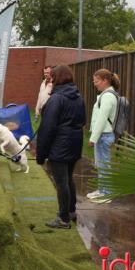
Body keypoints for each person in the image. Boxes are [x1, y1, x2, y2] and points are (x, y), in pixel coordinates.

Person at [36, 65, 86, 229]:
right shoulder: (78, 96)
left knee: (61, 181)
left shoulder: (56, 99)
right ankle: (71, 211)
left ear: (57, 78)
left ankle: (63, 218)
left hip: (60, 144)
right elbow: (83, 120)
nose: (50, 79)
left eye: (52, 77)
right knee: (68, 178)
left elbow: (47, 128)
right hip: (75, 142)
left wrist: (41, 154)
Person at [86, 68, 120, 204]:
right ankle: (102, 190)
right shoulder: (106, 95)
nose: (95, 84)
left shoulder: (108, 96)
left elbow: (101, 119)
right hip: (103, 135)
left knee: (104, 165)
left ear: (105, 81)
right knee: (101, 164)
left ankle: (106, 194)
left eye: (97, 81)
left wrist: (93, 138)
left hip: (104, 135)